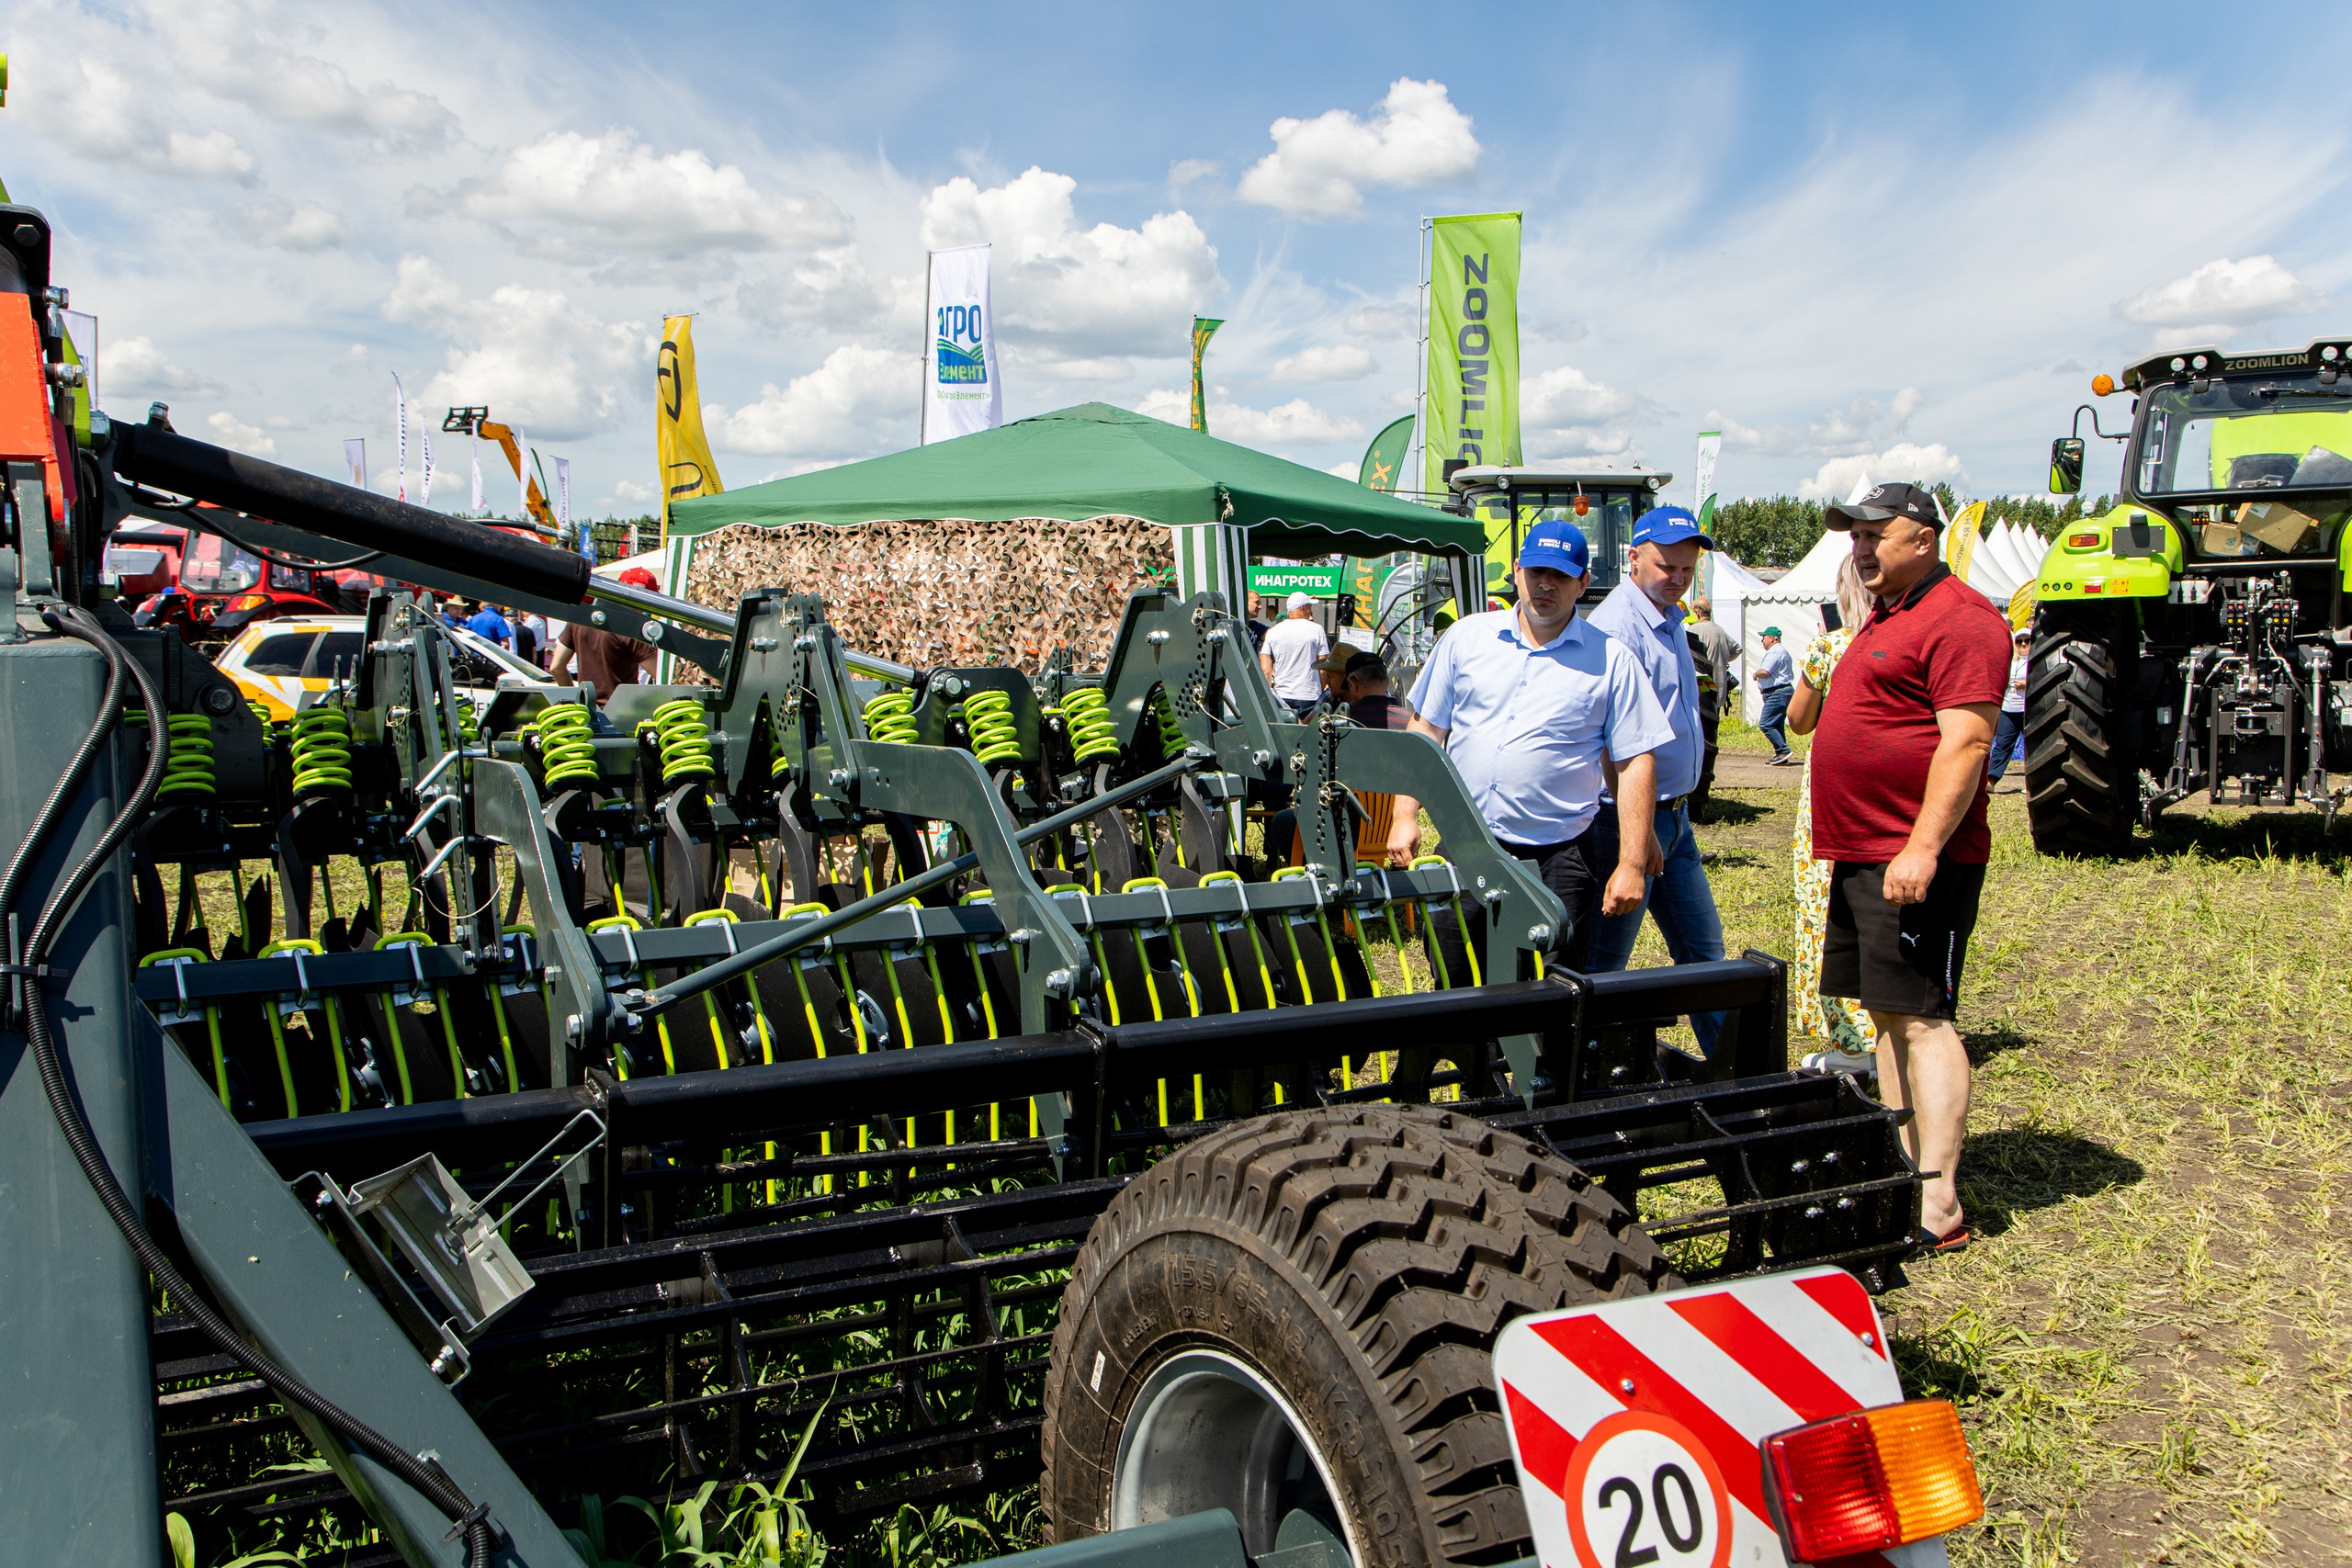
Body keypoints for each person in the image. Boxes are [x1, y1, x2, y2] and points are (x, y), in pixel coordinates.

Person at [1812, 481, 2012, 1257]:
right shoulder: (1890, 613)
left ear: (1923, 538)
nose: (1860, 549)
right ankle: (1904, 1166)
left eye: (1874, 535)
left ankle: (1939, 1199)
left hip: (1912, 854)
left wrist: (1922, 848)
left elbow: (1965, 743)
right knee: (1888, 1015)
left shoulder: (1962, 618)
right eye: (1854, 537)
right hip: (1866, 852)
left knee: (1925, 1018)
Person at [1387, 518, 1672, 972]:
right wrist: (1404, 814)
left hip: (1558, 856)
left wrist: (1632, 861)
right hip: (1466, 843)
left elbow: (1635, 760)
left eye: (1560, 575)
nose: (1545, 585)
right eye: (1537, 571)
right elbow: (1425, 730)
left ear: (1583, 583)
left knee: (1546, 995)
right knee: (1453, 976)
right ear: (1517, 569)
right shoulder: (1467, 638)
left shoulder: (1612, 660)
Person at [1581, 506, 1727, 1059]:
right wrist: (1634, 837)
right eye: (1668, 566)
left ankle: (1733, 1075)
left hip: (1672, 817)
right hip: (1628, 820)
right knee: (1603, 963)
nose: (1678, 578)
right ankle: (1576, 1080)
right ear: (1633, 557)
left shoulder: (1666, 618)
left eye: (1687, 569)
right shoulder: (1618, 629)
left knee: (1703, 952)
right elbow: (1604, 740)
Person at [1784, 557, 1878, 1069]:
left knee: (1828, 915)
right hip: (1889, 799)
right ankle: (1892, 1030)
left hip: (1832, 798)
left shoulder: (1831, 646)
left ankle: (1852, 1043)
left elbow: (1797, 721)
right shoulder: (1906, 640)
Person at [554, 566, 659, 710]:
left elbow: (556, 667)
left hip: (586, 713)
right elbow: (660, 675)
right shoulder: (633, 628)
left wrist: (575, 705)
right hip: (622, 715)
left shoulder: (581, 619)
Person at [1687, 596, 1739, 818]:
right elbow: (1737, 649)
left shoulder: (1695, 631)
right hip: (1715, 689)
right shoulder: (1719, 630)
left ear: (1697, 613)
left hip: (1701, 686)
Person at [1259, 591, 1329, 720]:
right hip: (1309, 696)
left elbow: (1265, 668)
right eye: (1309, 608)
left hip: (1282, 696)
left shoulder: (1273, 632)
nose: (1310, 611)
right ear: (1303, 608)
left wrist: (1269, 694)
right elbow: (1323, 667)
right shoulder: (1317, 629)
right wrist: (1320, 692)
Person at [1990, 627, 2030, 783]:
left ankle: (2032, 782)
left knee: (2032, 749)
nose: (2023, 644)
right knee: (2002, 745)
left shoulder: (2035, 661)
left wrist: (2027, 683)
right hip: (2008, 709)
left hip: (2028, 710)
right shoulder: (2010, 660)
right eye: (2020, 641)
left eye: (2027, 640)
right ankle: (1991, 780)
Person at [1757, 626, 1796, 763]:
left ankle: (1783, 750)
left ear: (1772, 638)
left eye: (1764, 636)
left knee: (1766, 723)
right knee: (1777, 724)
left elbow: (1765, 671)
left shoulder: (1775, 652)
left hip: (1777, 692)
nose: (1762, 639)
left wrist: (1756, 674)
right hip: (1781, 692)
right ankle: (1781, 755)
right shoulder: (1781, 651)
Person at [1340, 652, 1411, 729]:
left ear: (1353, 685)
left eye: (1349, 686)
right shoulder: (1410, 721)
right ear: (1387, 682)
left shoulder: (1343, 721)